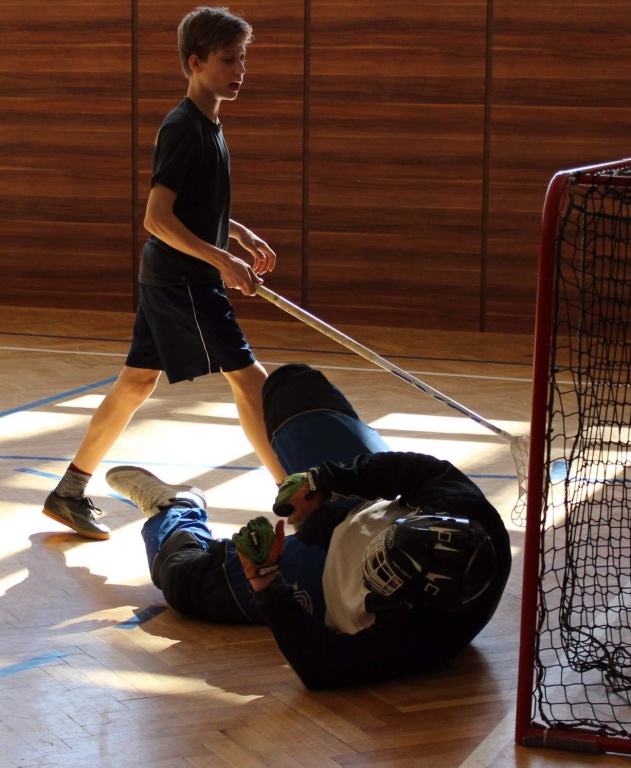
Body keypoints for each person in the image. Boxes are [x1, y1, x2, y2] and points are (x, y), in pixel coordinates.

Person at [105, 363, 512, 689]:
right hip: (366, 511)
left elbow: (321, 667)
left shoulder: (419, 641)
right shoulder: (464, 508)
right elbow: (415, 470)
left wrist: (265, 581)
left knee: (182, 580)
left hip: (326, 582)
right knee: (292, 386)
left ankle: (176, 508)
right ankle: (304, 499)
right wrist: (323, 479)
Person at [43, 7, 286, 541]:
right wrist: (222, 260)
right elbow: (156, 218)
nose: (240, 69)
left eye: (243, 59)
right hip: (183, 281)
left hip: (171, 276)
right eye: (228, 60)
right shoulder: (183, 128)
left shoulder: (209, 125)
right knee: (253, 384)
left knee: (136, 382)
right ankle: (296, 501)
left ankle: (67, 492)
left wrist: (238, 234)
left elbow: (193, 207)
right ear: (196, 63)